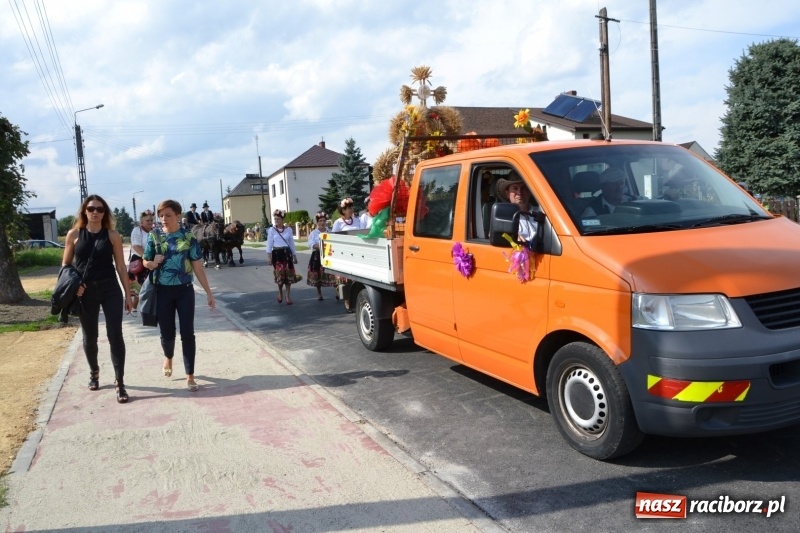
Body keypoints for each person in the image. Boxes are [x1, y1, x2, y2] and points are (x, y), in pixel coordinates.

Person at [62, 194, 133, 403]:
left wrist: (128, 294)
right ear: (84, 211)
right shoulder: (74, 234)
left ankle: (120, 382)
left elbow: (121, 267)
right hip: (85, 291)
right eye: (91, 208)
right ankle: (94, 372)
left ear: (105, 213)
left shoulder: (112, 236)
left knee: (115, 335)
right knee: (90, 336)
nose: (95, 212)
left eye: (100, 209)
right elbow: (66, 265)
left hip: (110, 288)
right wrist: (74, 286)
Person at [142, 199, 216, 392]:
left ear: (177, 216)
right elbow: (145, 261)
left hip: (184, 290)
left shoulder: (188, 237)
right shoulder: (155, 236)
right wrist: (152, 263)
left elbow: (198, 267)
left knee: (187, 333)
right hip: (162, 291)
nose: (163, 219)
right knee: (167, 333)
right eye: (161, 215)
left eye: (168, 215)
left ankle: (190, 375)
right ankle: (168, 357)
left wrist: (209, 292)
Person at [266, 209, 299, 305]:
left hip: (287, 254)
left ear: (282, 220)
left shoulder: (288, 230)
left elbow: (291, 243)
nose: (276, 221)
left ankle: (287, 295)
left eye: (278, 219)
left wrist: (294, 255)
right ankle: (280, 293)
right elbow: (269, 244)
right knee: (280, 276)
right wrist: (269, 257)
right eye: (275, 219)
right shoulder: (272, 230)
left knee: (288, 275)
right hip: (277, 254)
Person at [495, 170, 538, 243]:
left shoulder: (542, 212)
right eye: (515, 188)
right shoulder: (503, 216)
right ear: (507, 194)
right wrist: (510, 237)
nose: (519, 192)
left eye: (523, 188)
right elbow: (494, 235)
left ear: (530, 192)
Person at [307, 211, 338, 301]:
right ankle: (319, 293)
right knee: (318, 275)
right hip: (317, 256)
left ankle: (337, 292)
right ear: (317, 222)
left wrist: (322, 245)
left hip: (328, 255)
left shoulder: (330, 232)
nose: (322, 222)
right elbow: (311, 244)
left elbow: (333, 243)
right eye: (320, 221)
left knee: (333, 274)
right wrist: (322, 245)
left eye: (324, 220)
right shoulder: (313, 233)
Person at [128, 209, 154, 313]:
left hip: (150, 261)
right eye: (147, 220)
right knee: (140, 286)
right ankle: (134, 306)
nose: (150, 222)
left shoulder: (154, 232)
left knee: (149, 285)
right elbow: (136, 246)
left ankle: (148, 307)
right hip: (139, 260)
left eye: (151, 220)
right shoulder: (137, 230)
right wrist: (147, 257)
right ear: (141, 222)